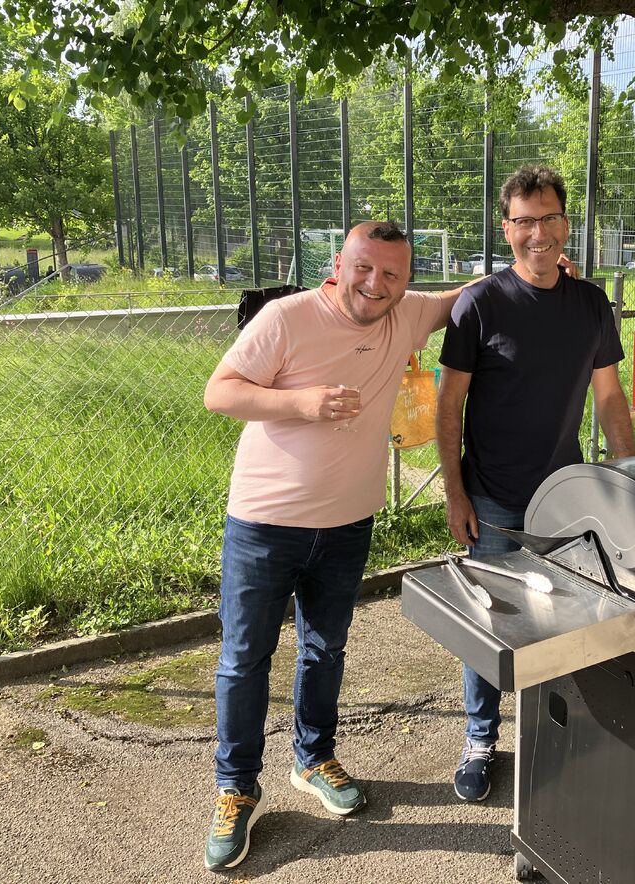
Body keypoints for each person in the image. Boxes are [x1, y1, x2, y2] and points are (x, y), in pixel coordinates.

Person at [200, 221, 462, 871]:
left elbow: (466, 295)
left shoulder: (406, 314)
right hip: (264, 523)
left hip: (348, 524)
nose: (376, 284)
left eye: (392, 273)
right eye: (363, 268)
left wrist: (540, 261)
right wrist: (304, 403)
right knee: (244, 660)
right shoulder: (287, 318)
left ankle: (313, 759)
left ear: (406, 279)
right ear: (338, 265)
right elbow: (219, 392)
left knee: (326, 648)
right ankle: (236, 787)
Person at [437, 164, 635, 801]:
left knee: (566, 621)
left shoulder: (590, 303)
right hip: (492, 498)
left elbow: (610, 398)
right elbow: (449, 406)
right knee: (490, 624)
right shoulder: (479, 305)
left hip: (566, 499)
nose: (538, 233)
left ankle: (557, 733)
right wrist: (455, 493)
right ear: (506, 229)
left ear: (566, 224)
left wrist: (631, 481)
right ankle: (479, 738)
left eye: (549, 218)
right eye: (524, 221)